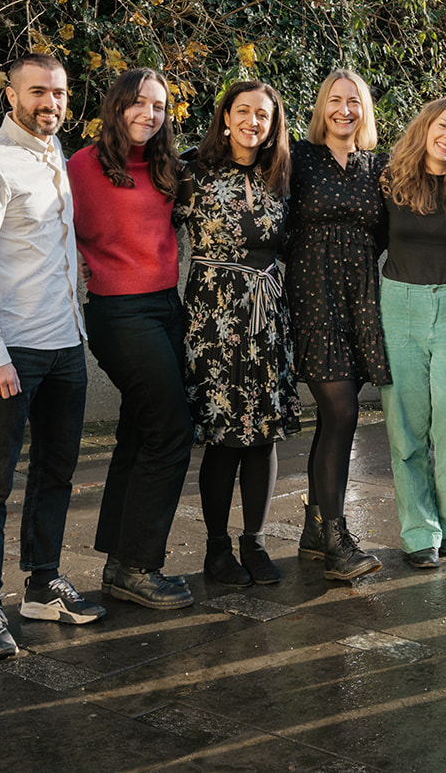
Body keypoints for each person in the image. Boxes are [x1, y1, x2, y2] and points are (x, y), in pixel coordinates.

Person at [0, 52, 104, 660]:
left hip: (65, 344)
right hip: (10, 353)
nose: (50, 103)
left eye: (59, 93)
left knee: (57, 473)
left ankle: (42, 585)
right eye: (37, 92)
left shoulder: (56, 160)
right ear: (10, 97)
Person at [68, 68, 194, 611]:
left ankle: (121, 559)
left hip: (167, 305)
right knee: (171, 431)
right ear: (116, 106)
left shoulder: (167, 167)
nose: (149, 114)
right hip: (119, 313)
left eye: (160, 107)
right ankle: (140, 565)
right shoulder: (80, 166)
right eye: (138, 104)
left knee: (141, 432)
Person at [177, 80, 303, 588]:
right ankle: (216, 548)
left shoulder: (283, 175)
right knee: (223, 435)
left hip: (269, 313)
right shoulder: (192, 170)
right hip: (214, 316)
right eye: (244, 111)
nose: (254, 121)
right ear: (225, 116)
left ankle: (254, 541)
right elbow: (156, 230)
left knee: (263, 433)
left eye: (264, 115)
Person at [286, 69, 390, 581]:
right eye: (335, 99)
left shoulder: (379, 166)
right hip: (313, 297)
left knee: (333, 420)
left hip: (360, 304)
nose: (345, 109)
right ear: (321, 106)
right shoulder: (298, 158)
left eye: (354, 101)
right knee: (343, 413)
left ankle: (312, 530)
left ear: (364, 111)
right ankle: (336, 539)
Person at [378, 97, 446, 568]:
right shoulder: (391, 179)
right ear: (426, 126)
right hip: (398, 304)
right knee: (406, 425)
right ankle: (419, 529)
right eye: (444, 126)